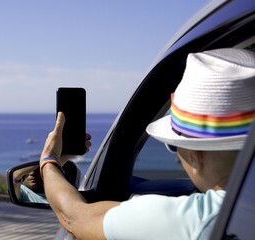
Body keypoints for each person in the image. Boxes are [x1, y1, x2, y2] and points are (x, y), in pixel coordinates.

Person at [39, 48, 255, 239]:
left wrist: (49, 160)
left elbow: (74, 219)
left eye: (174, 146)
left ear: (196, 154)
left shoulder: (194, 220)